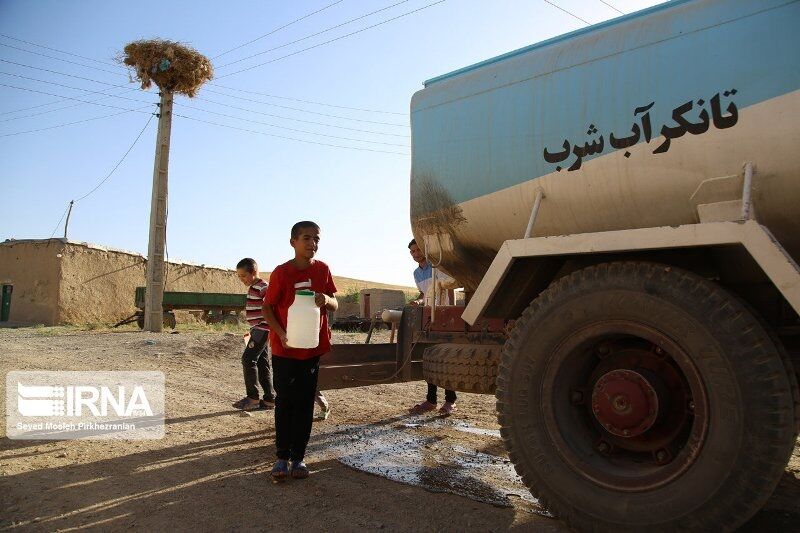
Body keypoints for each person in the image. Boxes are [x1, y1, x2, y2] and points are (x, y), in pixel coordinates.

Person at [263, 221, 338, 481]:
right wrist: (282, 334)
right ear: (293, 241)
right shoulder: (282, 273)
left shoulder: (323, 270)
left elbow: (335, 302)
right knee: (285, 400)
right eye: (306, 238)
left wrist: (326, 299)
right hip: (285, 349)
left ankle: (299, 458)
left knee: (305, 402)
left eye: (316, 239)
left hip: (311, 349)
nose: (312, 243)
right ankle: (281, 457)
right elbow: (267, 308)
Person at [407, 238, 458, 416]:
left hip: (443, 315)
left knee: (446, 358)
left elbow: (449, 288)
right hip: (429, 316)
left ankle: (450, 401)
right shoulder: (416, 273)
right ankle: (431, 400)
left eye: (417, 250)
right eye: (412, 252)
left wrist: (449, 312)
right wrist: (418, 301)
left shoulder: (437, 266)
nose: (415, 254)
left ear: (424, 250)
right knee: (429, 357)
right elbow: (424, 293)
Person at [232, 258, 275, 411]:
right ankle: (269, 400)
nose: (241, 279)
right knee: (262, 364)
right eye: (239, 276)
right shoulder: (254, 287)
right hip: (255, 330)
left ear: (254, 272)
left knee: (248, 359)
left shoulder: (263, 287)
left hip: (262, 330)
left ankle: (253, 398)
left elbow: (271, 306)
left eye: (243, 275)